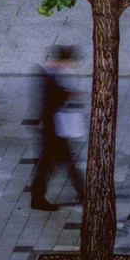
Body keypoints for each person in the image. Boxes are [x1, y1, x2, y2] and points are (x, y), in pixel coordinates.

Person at [32, 43, 86, 210]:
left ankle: (82, 194)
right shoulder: (46, 74)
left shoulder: (50, 73)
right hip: (52, 128)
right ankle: (38, 198)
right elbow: (49, 99)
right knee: (56, 163)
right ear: (62, 60)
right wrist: (68, 95)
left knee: (55, 163)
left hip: (54, 127)